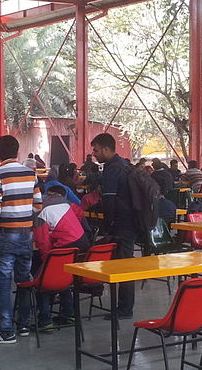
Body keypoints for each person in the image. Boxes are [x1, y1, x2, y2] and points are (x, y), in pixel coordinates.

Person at [0, 135, 41, 343]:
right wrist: (23, 216)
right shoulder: (31, 174)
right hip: (27, 235)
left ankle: (6, 331)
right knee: (24, 280)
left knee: (4, 283)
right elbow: (38, 205)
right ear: (17, 151)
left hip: (6, 235)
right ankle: (23, 325)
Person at [33, 182, 90, 331]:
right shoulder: (61, 200)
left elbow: (43, 242)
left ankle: (45, 320)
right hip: (82, 242)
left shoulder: (37, 211)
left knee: (44, 280)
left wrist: (46, 262)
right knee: (65, 277)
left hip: (65, 245)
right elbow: (79, 212)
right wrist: (68, 227)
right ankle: (69, 313)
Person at [94, 132, 136, 318]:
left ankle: (125, 308)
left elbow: (109, 201)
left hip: (121, 225)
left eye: (96, 150)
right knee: (124, 264)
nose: (94, 154)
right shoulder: (124, 165)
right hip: (130, 222)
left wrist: (107, 225)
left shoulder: (112, 169)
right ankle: (124, 306)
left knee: (123, 266)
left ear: (105, 149)